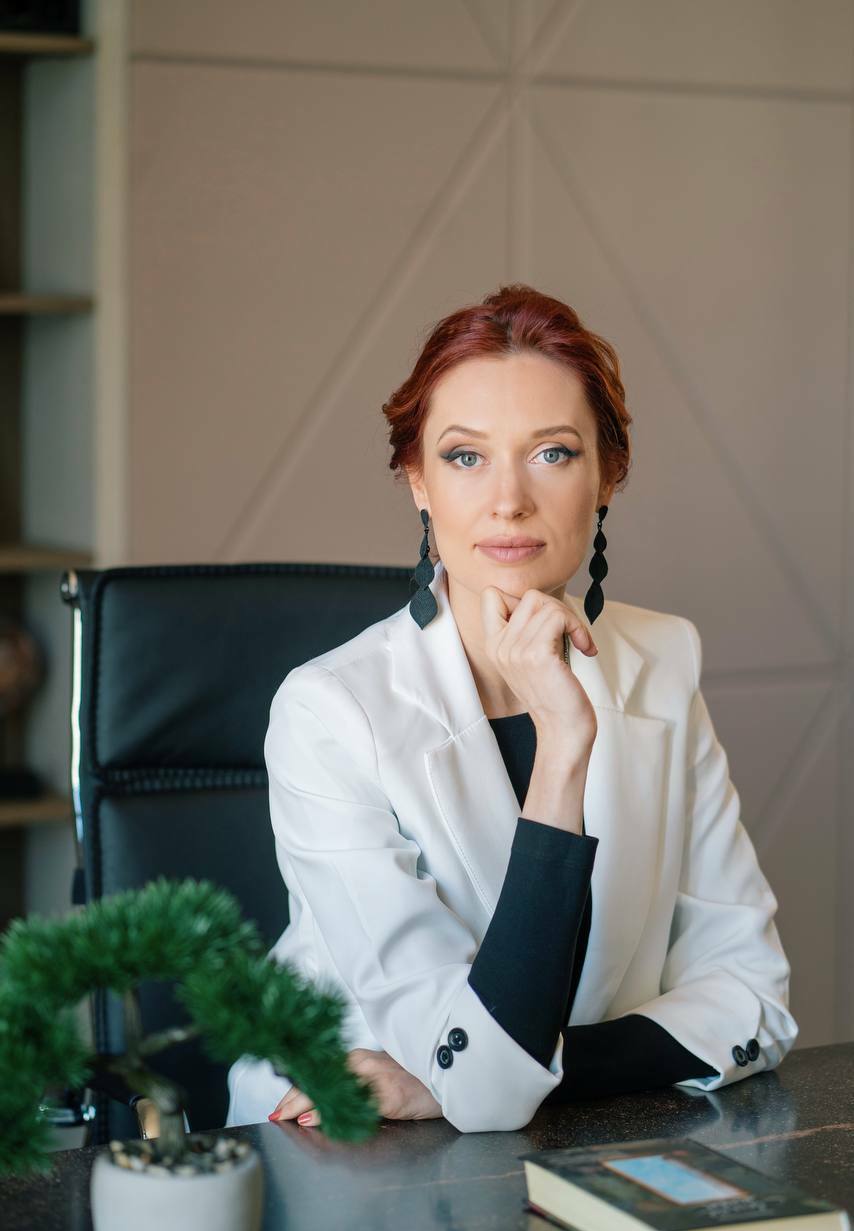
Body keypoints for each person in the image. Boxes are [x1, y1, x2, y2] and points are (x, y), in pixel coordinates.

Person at [225, 283, 798, 1134]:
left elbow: (752, 999)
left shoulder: (664, 660)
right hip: (345, 1141)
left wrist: (509, 1075)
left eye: (552, 453)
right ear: (416, 481)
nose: (508, 500)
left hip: (564, 1136)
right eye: (464, 457)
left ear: (608, 476)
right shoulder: (329, 714)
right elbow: (488, 1089)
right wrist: (563, 744)